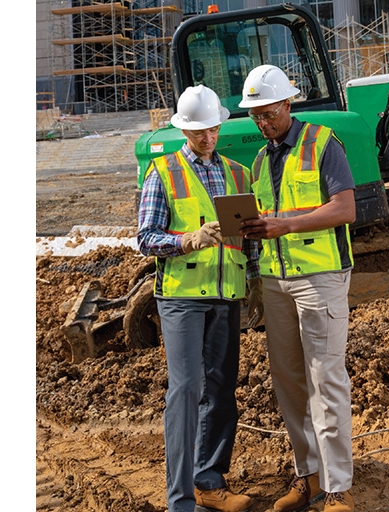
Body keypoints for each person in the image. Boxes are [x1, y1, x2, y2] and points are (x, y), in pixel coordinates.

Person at [236, 64, 357, 512]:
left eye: (268, 114)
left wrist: (284, 225)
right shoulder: (260, 160)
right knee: (288, 382)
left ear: (288, 104)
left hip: (319, 279)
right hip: (275, 281)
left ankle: (338, 487)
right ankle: (308, 477)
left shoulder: (323, 144)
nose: (263, 123)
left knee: (325, 380)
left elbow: (344, 209)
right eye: (256, 117)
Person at [136, 84, 261, 512]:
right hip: (183, 297)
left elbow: (248, 237)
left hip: (226, 294)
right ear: (184, 130)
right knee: (186, 390)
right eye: (198, 132)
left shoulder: (238, 174)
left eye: (213, 130)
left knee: (222, 388)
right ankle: (181, 501)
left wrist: (255, 277)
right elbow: (146, 238)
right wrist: (187, 239)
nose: (208, 138)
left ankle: (209, 481)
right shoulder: (164, 172)